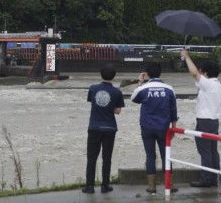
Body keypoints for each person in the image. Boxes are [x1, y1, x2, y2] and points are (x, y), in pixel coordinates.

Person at [130, 62, 178, 194]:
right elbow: (173, 110)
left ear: (147, 74)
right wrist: (173, 128)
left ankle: (151, 186)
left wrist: (140, 83)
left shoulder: (143, 88)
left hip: (147, 127)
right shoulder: (169, 89)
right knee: (165, 155)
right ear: (160, 73)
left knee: (150, 156)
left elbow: (133, 98)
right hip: (164, 127)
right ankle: (170, 184)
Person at [181, 49, 221, 187]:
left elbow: (194, 73)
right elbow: (196, 76)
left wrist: (186, 57)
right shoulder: (217, 85)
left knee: (205, 151)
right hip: (214, 121)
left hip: (204, 121)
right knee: (212, 151)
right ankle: (215, 177)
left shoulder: (208, 84)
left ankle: (206, 179)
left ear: (206, 73)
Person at [82, 66, 125, 194]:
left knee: (91, 158)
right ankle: (105, 185)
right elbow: (117, 110)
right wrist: (110, 107)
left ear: (100, 75)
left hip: (94, 127)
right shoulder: (117, 92)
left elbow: (93, 103)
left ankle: (89, 186)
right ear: (114, 76)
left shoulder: (93, 88)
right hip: (110, 128)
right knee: (107, 158)